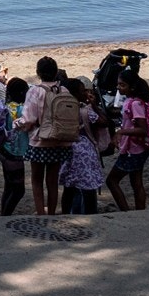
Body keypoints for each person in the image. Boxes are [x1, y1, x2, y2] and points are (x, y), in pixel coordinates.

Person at [16, 56, 74, 215]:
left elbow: (28, 119)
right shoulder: (64, 90)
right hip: (59, 140)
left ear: (38, 73)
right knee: (52, 180)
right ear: (55, 72)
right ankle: (52, 211)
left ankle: (41, 212)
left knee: (36, 179)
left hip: (39, 140)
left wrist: (16, 125)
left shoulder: (35, 91)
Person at [58, 77, 109, 214]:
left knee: (69, 187)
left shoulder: (62, 109)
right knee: (88, 187)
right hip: (85, 153)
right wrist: (94, 106)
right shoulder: (85, 111)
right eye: (82, 91)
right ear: (76, 94)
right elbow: (104, 122)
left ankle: (65, 214)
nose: (85, 94)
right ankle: (91, 214)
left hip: (68, 151)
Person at [106, 72, 149, 211]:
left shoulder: (135, 104)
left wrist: (121, 132)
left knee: (112, 181)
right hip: (136, 148)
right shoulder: (131, 101)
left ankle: (125, 211)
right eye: (118, 84)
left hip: (133, 150)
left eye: (122, 85)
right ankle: (140, 212)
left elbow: (142, 129)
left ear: (131, 87)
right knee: (136, 181)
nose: (119, 87)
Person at [0, 76, 30, 216]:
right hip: (15, 153)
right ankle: (5, 214)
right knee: (19, 190)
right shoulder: (21, 110)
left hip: (3, 150)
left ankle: (4, 211)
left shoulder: (5, 107)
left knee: (9, 185)